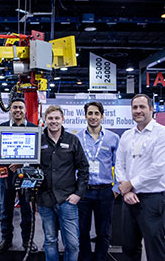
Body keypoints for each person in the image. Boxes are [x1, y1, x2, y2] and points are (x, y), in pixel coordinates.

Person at [115, 94, 165, 261]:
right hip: (128, 200)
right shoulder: (127, 136)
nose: (138, 111)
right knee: (129, 248)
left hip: (153, 200)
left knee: (155, 249)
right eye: (135, 107)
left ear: (151, 109)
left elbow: (158, 167)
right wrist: (126, 190)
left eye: (142, 107)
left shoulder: (161, 133)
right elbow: (119, 164)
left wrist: (131, 184)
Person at [37, 105, 89, 261]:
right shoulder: (38, 140)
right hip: (45, 199)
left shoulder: (72, 140)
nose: (53, 121)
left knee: (72, 244)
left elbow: (84, 168)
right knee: (50, 241)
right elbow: (31, 167)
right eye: (50, 118)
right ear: (45, 120)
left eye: (56, 118)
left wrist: (78, 194)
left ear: (62, 120)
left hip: (68, 199)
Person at [77, 101, 119, 261]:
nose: (93, 117)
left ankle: (101, 259)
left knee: (104, 232)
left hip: (105, 192)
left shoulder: (113, 138)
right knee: (82, 231)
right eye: (90, 113)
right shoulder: (77, 138)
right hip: (83, 191)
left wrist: (115, 189)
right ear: (85, 116)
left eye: (96, 113)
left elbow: (119, 165)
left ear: (102, 116)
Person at [0, 98, 38, 253]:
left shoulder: (34, 128)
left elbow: (36, 156)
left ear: (25, 110)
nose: (18, 110)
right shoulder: (2, 128)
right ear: (10, 110)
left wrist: (22, 163)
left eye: (20, 107)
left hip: (26, 176)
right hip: (7, 175)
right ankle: (6, 239)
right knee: (6, 209)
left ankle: (27, 241)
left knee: (27, 209)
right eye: (14, 108)